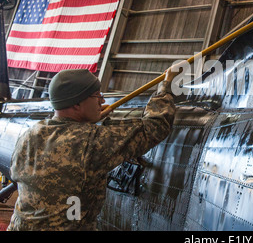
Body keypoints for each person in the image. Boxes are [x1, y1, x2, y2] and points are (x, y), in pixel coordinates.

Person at [7, 63, 184, 231]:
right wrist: (166, 86)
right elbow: (154, 128)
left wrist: (85, 122)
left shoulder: (30, 135)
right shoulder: (91, 141)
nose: (102, 100)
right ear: (76, 104)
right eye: (97, 96)